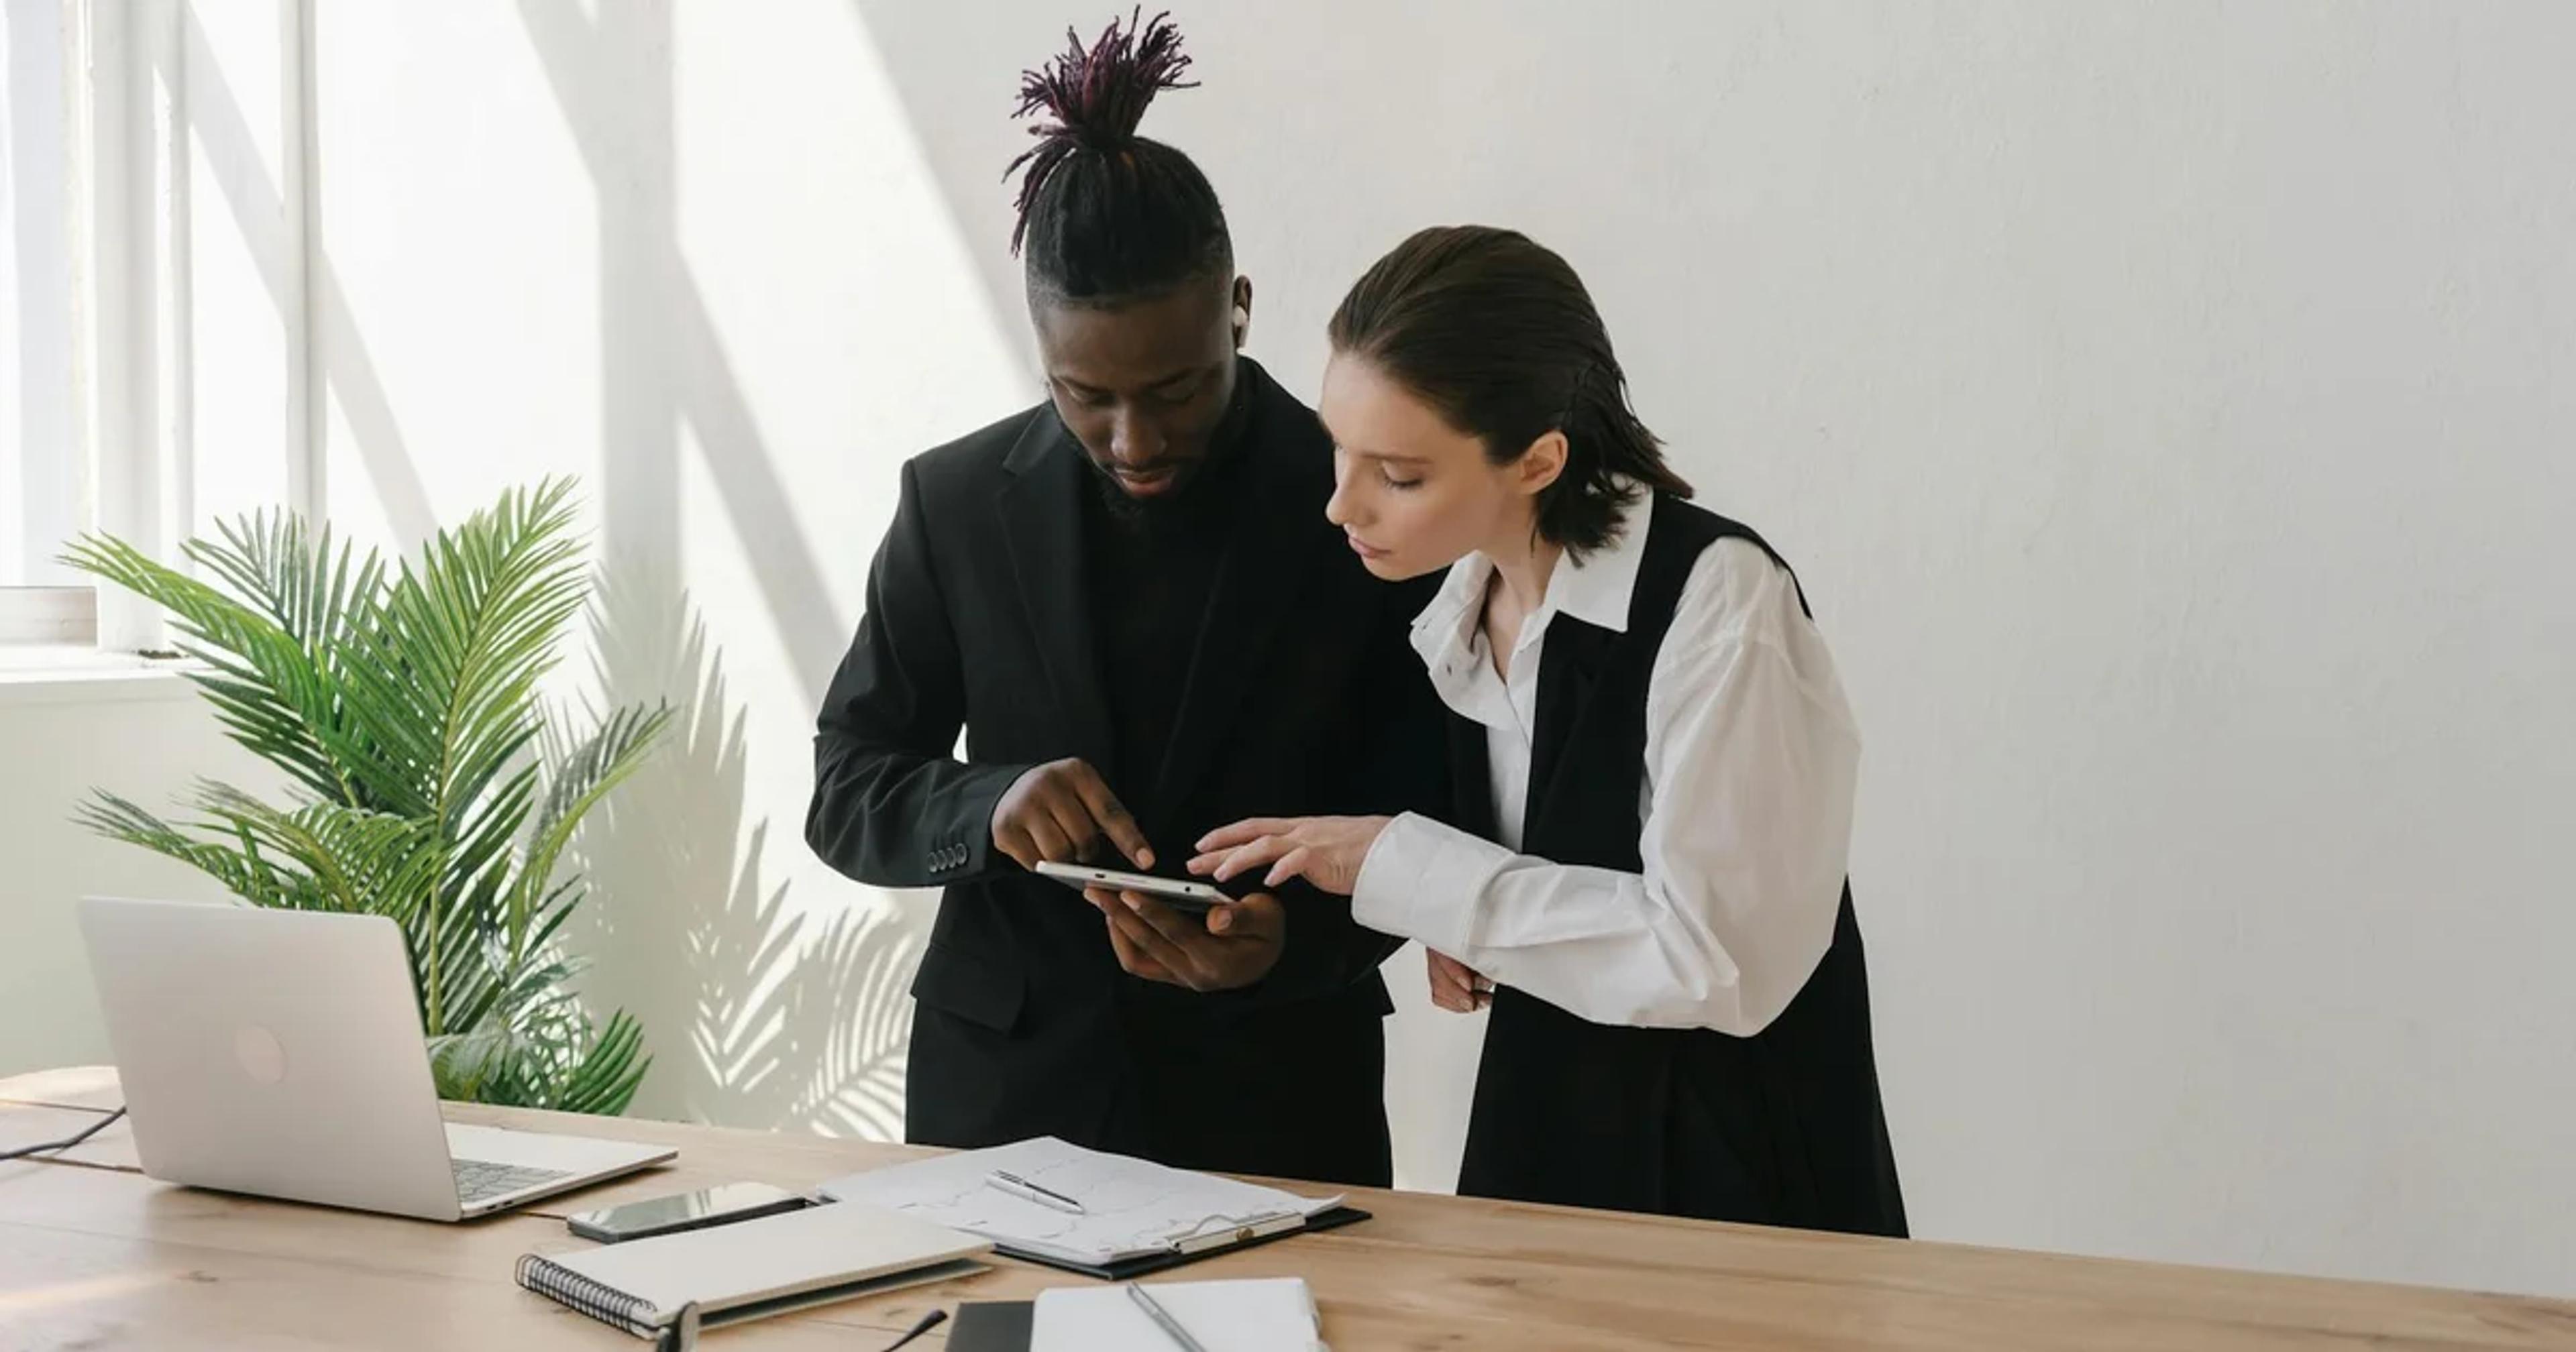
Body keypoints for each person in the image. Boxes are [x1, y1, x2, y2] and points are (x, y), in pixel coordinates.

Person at [804, 13, 1436, 1187]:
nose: (1133, 438)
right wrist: (988, 804)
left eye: (1180, 389)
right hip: (1001, 1100)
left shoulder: (1363, 500)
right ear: (1037, 341)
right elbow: (846, 786)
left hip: (1280, 1097)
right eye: (1083, 394)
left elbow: (1439, 809)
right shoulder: (951, 504)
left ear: (1237, 308)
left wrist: (1288, 947)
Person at [1191, 225, 1907, 1233]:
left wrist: (1420, 873)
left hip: (1729, 1169)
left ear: (1538, 460)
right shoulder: (1458, 608)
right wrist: (1462, 910)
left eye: (1397, 475)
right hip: (1548, 1130)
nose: (1340, 503)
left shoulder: (1722, 607)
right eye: (1339, 451)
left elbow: (1724, 961)